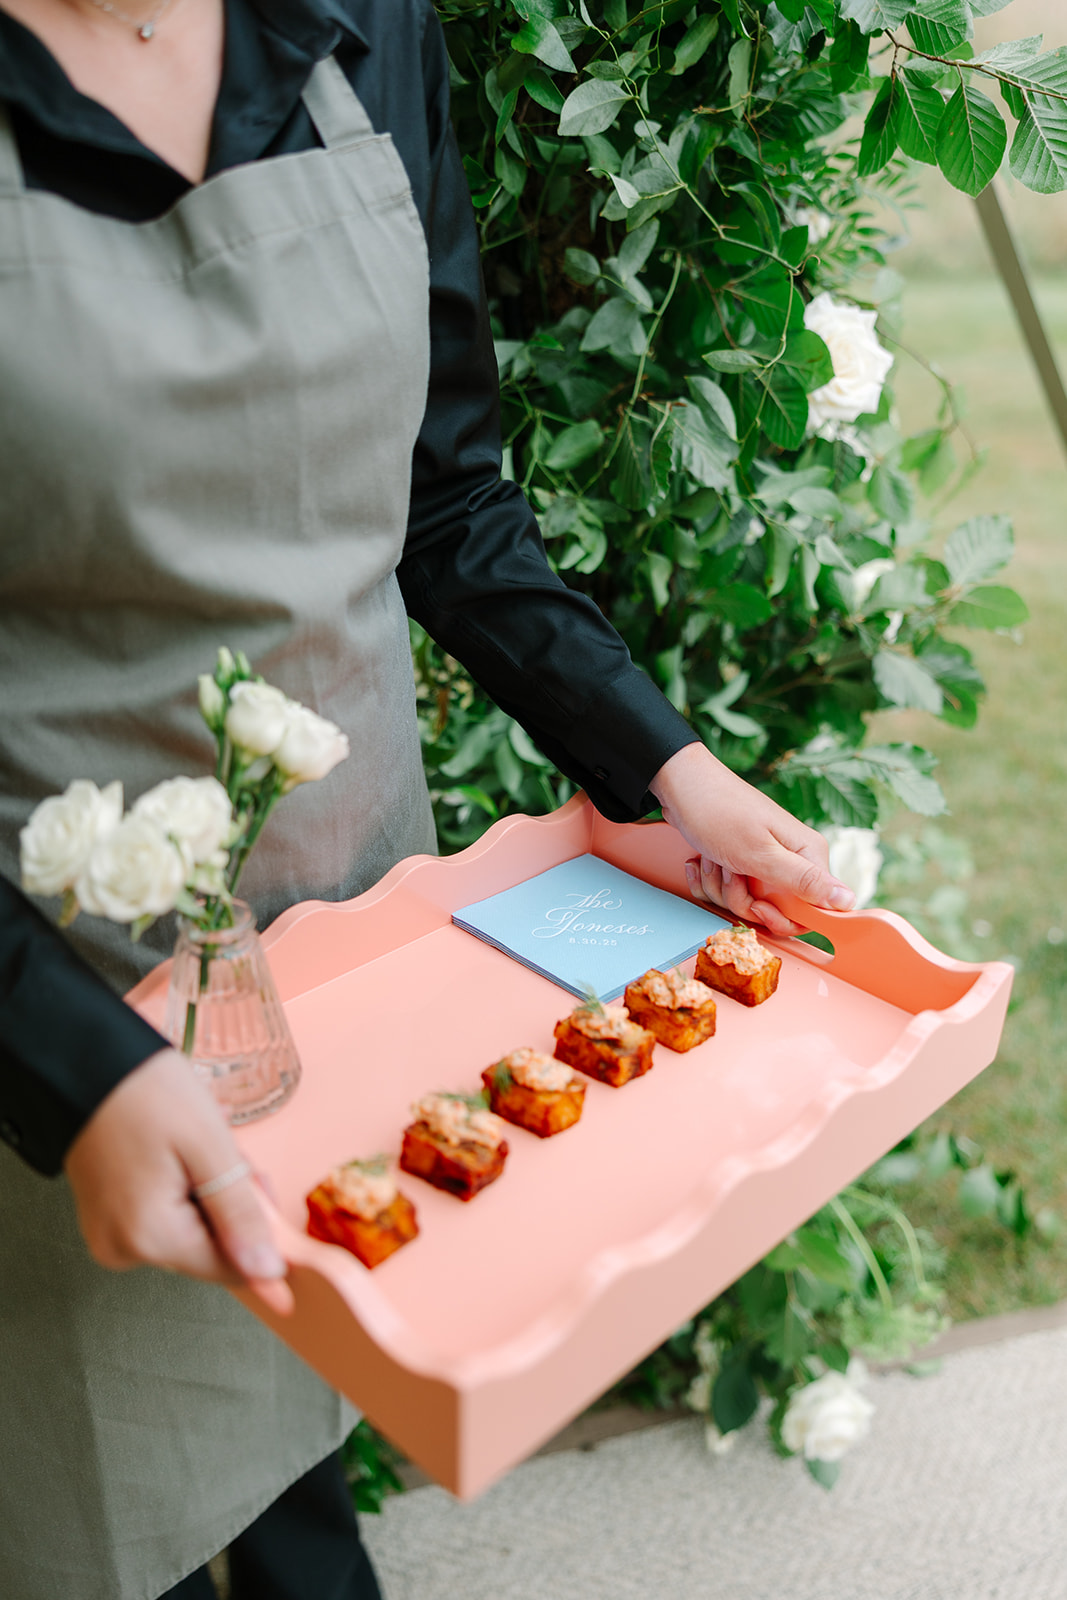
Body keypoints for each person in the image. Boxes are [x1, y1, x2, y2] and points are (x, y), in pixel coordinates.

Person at [0, 1, 857, 1596]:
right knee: (95, 1503)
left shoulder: (365, 24)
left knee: (297, 1448)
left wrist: (666, 767)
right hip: (50, 982)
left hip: (354, 931)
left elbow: (449, 502)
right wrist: (67, 1066)